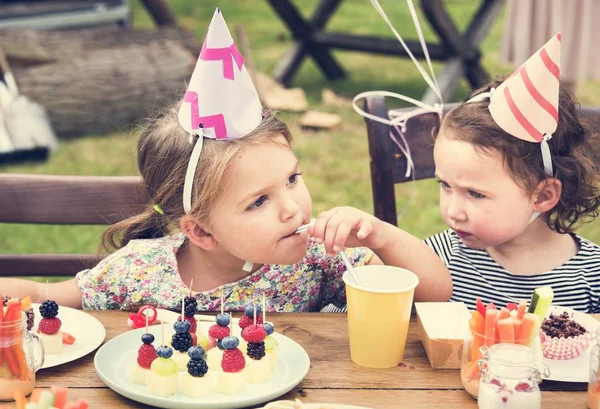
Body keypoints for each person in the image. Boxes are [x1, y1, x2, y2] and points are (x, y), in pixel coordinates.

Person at [0, 9, 452, 312]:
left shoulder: (321, 261)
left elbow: (434, 297)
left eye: (292, 179)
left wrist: (383, 236)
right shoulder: (140, 272)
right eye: (258, 201)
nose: (292, 208)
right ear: (199, 230)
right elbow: (43, 295)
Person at [425, 72, 600, 313]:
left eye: (475, 194)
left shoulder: (592, 278)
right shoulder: (439, 258)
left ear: (543, 196)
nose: (453, 212)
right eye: (445, 185)